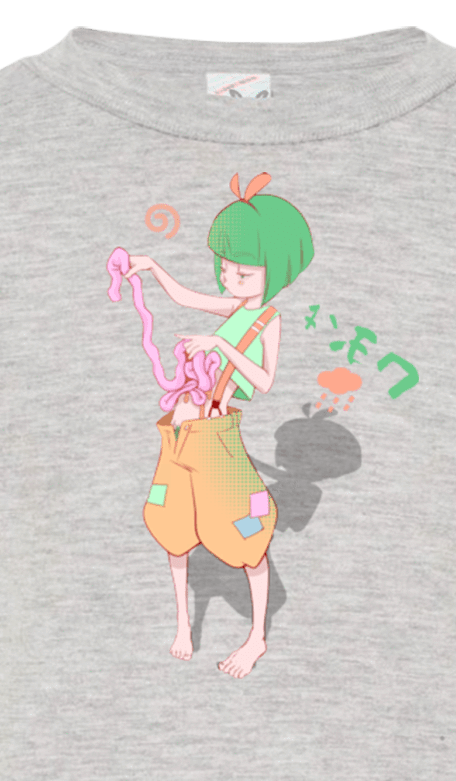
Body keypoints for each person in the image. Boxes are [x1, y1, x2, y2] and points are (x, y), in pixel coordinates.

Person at [123, 172, 314, 678]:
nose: (230, 279)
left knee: (249, 537)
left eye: (244, 273)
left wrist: (221, 345)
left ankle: (256, 638)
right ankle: (183, 624)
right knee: (173, 528)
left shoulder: (266, 320)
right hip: (181, 437)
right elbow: (186, 298)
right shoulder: (234, 305)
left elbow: (264, 381)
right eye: (226, 268)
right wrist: (151, 266)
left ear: (275, 271)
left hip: (218, 439)